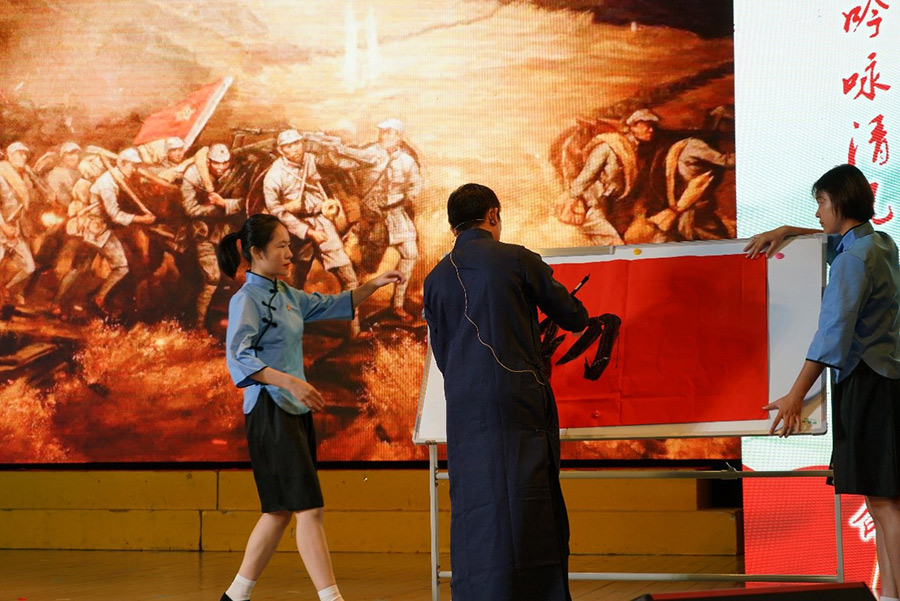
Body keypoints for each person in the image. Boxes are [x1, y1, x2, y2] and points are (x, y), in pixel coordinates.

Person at [216, 213, 405, 601]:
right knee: (308, 508)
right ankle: (331, 598)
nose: (290, 253)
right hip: (270, 411)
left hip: (293, 410)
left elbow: (333, 304)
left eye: (290, 245)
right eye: (281, 246)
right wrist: (291, 382)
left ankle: (234, 597)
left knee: (279, 511)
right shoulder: (246, 299)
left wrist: (374, 284)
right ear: (256, 252)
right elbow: (239, 357)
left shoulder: (287, 294)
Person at [422, 183, 589, 601]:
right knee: (529, 499)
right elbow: (574, 317)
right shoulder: (516, 258)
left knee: (476, 505)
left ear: (453, 226)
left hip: (465, 407)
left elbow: (442, 353)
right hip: (519, 400)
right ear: (493, 215)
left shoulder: (434, 279)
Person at [744, 164, 900, 601]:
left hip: (867, 383)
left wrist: (795, 395)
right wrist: (787, 230)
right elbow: (837, 244)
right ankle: (889, 594)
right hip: (882, 380)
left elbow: (832, 334)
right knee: (880, 501)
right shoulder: (879, 242)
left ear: (840, 203)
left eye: (821, 203)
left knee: (886, 504)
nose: (817, 213)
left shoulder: (853, 260)